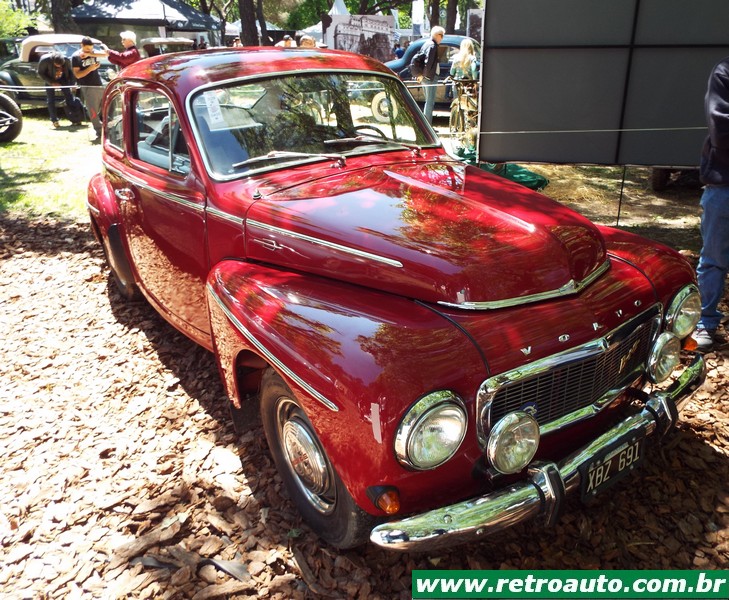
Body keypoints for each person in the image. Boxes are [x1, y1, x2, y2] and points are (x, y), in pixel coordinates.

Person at [692, 56, 729, 351]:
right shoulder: (724, 71)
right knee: (714, 259)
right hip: (724, 183)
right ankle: (705, 321)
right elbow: (721, 130)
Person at [71, 36, 106, 140]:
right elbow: (77, 75)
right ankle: (99, 131)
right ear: (81, 45)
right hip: (88, 86)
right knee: (92, 110)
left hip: (99, 84)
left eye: (91, 49)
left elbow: (105, 54)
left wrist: (90, 54)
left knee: (106, 108)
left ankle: (107, 129)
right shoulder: (76, 57)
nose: (89, 51)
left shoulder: (92, 53)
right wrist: (90, 69)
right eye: (87, 49)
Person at [37, 51, 82, 129]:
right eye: (57, 65)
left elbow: (71, 72)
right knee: (51, 100)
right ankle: (54, 120)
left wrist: (73, 84)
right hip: (50, 79)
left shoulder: (66, 60)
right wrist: (51, 82)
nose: (59, 66)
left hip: (64, 79)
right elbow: (41, 73)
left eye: (61, 65)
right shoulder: (45, 60)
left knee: (70, 98)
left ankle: (76, 119)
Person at [417, 26, 445, 124]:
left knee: (428, 101)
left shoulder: (426, 44)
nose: (442, 38)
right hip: (430, 77)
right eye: (442, 35)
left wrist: (421, 75)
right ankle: (427, 124)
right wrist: (425, 75)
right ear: (436, 35)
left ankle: (426, 124)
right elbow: (428, 63)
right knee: (429, 102)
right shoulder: (433, 46)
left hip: (425, 77)